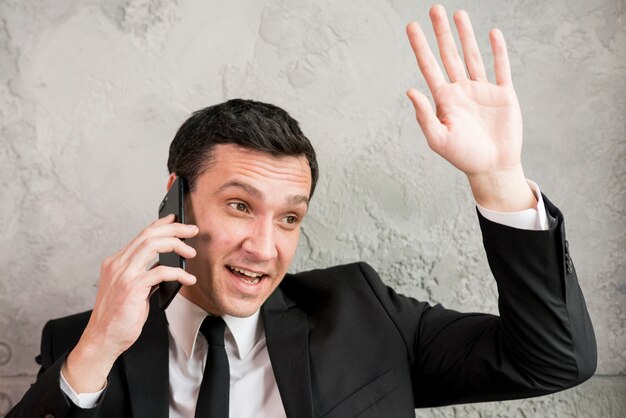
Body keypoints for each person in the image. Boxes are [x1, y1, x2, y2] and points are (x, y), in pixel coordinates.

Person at [7, 5, 596, 418]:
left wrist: (498, 180)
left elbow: (554, 359)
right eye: (240, 206)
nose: (265, 247)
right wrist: (95, 351)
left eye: (289, 218)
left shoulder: (364, 315)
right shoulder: (82, 343)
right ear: (176, 198)